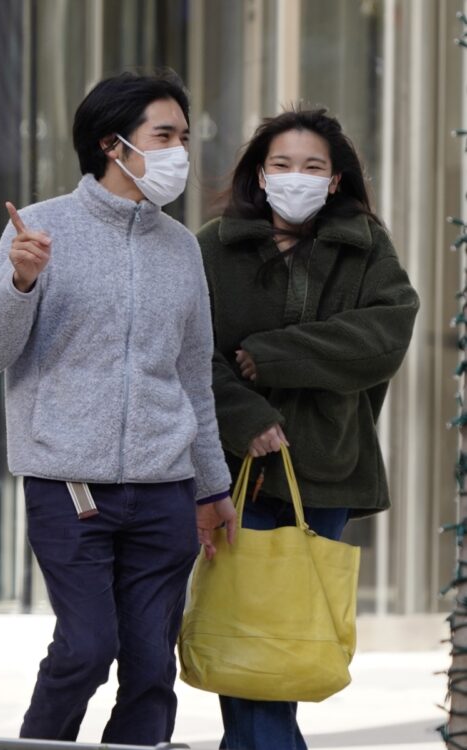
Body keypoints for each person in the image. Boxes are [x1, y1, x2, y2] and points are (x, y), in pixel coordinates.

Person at [0, 71, 236, 746]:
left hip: (164, 489)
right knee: (86, 649)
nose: (179, 149)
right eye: (164, 135)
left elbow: (192, 375)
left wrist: (211, 487)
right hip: (69, 485)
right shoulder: (40, 228)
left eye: (182, 134)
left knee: (150, 667)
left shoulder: (180, 249)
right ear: (113, 145)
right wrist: (21, 283)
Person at [196, 108, 419, 750]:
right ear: (260, 176)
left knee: (285, 642)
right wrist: (247, 417)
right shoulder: (214, 245)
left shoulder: (367, 246)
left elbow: (387, 332)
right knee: (250, 637)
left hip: (326, 469)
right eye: (283, 164)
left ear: (336, 180)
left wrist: (272, 355)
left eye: (313, 166)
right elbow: (190, 351)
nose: (297, 177)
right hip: (236, 472)